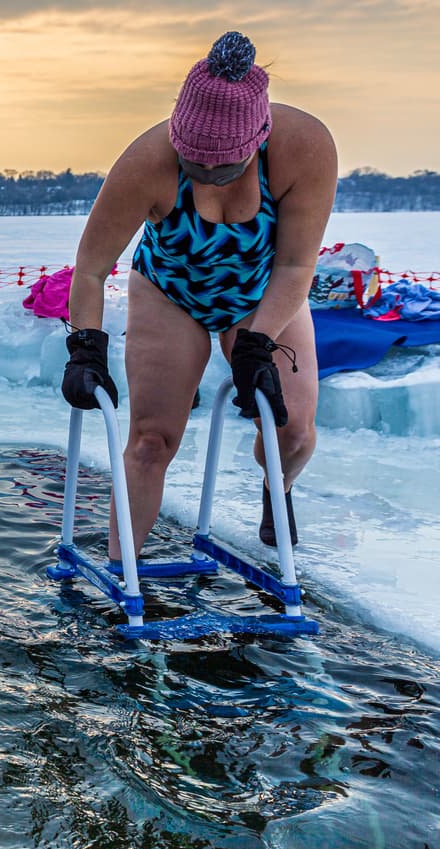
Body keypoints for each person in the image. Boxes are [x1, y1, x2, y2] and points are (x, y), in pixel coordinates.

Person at [62, 31, 336, 554]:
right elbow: (92, 267)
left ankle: (277, 488)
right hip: (171, 292)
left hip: (263, 291)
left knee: (292, 430)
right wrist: (86, 346)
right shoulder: (147, 160)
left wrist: (256, 344)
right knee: (150, 440)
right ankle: (126, 576)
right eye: (195, 163)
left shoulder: (303, 148)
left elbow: (298, 262)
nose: (208, 176)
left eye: (223, 166)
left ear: (257, 137)